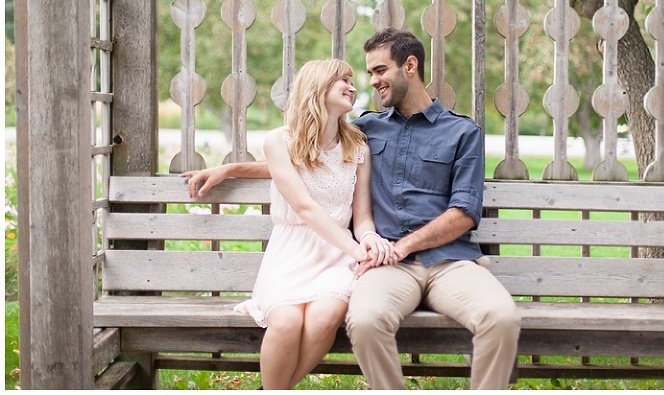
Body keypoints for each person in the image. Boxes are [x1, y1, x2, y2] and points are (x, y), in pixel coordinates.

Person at [182, 58, 396, 390]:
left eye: (353, 81)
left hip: (337, 256)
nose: (353, 87)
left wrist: (366, 241)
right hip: (291, 253)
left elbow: (363, 214)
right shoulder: (280, 140)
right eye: (343, 80)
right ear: (318, 86)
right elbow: (305, 206)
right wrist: (231, 169)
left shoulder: (357, 146)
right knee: (286, 322)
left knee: (323, 319)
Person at [346, 27, 521, 390]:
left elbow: (465, 211)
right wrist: (233, 169)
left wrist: (405, 246)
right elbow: (309, 160)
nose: (374, 81)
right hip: (389, 268)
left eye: (380, 70)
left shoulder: (462, 132)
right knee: (365, 319)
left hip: (450, 263)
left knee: (500, 316)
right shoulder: (366, 128)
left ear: (409, 65)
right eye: (371, 73)